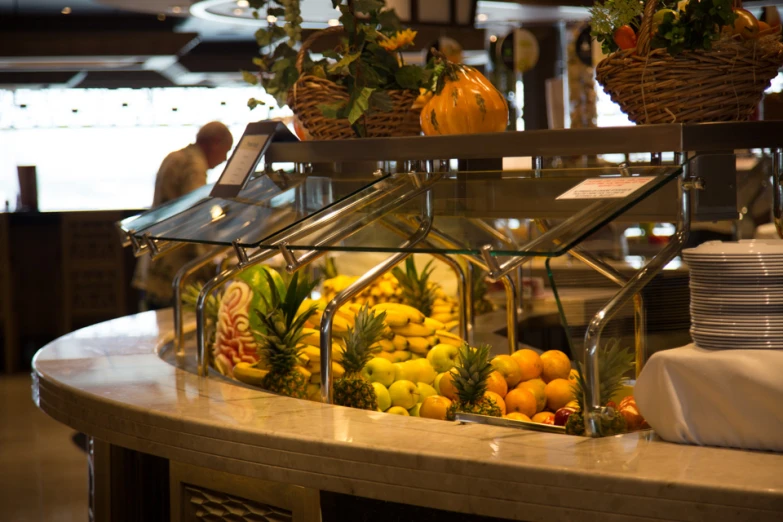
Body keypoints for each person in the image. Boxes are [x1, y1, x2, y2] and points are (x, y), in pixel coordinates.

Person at [133, 121, 234, 310]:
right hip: (173, 269)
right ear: (215, 143)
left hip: (154, 261)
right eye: (226, 151)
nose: (224, 159)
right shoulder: (195, 165)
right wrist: (209, 263)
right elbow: (196, 218)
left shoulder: (175, 156)